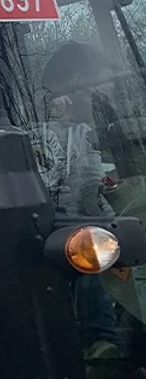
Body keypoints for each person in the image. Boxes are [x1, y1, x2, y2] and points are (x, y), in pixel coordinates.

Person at [37, 42, 122, 359]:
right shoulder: (56, 133)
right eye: (105, 83)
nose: (111, 91)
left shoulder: (94, 127)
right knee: (102, 242)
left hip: (76, 216)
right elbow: (87, 191)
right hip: (56, 228)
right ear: (79, 83)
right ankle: (101, 339)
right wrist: (118, 212)